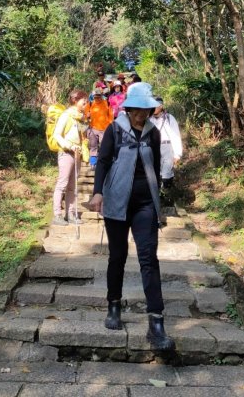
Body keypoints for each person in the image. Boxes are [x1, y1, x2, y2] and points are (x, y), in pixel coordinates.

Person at [89, 82, 175, 350]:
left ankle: (156, 322)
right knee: (118, 256)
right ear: (129, 108)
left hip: (145, 202)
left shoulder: (153, 133)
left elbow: (159, 163)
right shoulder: (115, 129)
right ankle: (113, 306)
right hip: (117, 201)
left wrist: (160, 193)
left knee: (149, 258)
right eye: (137, 110)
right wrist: (98, 193)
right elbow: (103, 162)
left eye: (146, 110)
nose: (142, 115)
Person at [51, 89, 88, 226]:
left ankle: (71, 213)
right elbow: (57, 134)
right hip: (66, 153)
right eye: (83, 99)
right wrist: (69, 145)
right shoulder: (66, 115)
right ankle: (57, 214)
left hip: (77, 153)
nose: (86, 102)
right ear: (75, 100)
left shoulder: (81, 116)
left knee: (73, 186)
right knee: (62, 184)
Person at [150, 97, 183, 193]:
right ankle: (159, 195)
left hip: (167, 146)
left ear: (161, 106)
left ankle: (168, 194)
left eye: (156, 106)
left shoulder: (169, 118)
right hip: (154, 147)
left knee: (167, 171)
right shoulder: (149, 119)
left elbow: (175, 135)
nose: (154, 108)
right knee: (156, 171)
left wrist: (177, 154)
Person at [84, 88, 114, 169]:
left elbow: (111, 116)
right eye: (95, 97)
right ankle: (93, 163)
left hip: (104, 129)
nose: (97, 98)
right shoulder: (90, 104)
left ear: (101, 96)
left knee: (104, 146)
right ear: (93, 97)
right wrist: (87, 116)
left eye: (98, 96)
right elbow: (85, 117)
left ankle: (103, 162)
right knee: (93, 146)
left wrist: (110, 127)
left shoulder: (107, 103)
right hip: (93, 128)